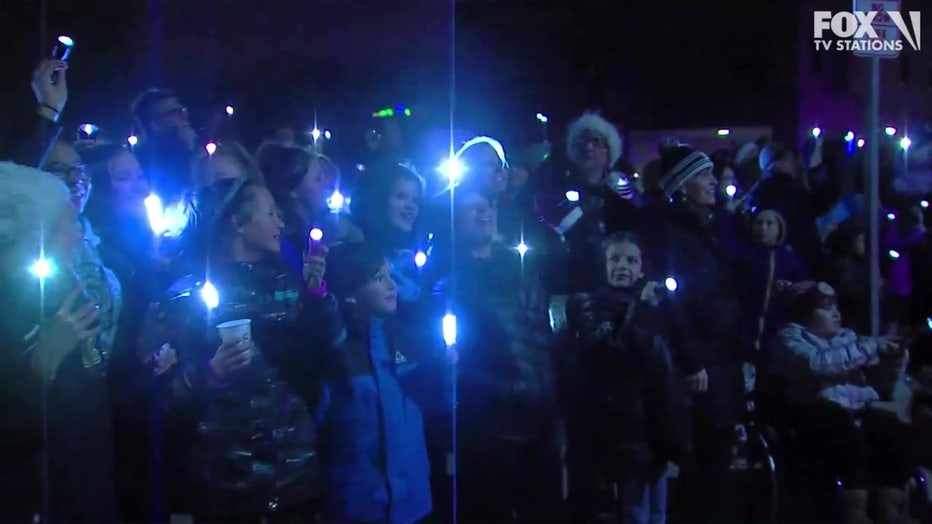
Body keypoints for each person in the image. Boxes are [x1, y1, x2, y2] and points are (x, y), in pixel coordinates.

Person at [154, 178, 329, 521]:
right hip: (227, 485)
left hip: (294, 476)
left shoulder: (285, 284)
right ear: (237, 223)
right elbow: (166, 401)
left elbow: (322, 360)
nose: (280, 222)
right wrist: (212, 372)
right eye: (270, 213)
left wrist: (317, 296)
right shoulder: (188, 297)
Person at [0, 161, 117, 523]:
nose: (79, 235)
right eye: (69, 223)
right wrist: (42, 363)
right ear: (39, 232)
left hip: (85, 491)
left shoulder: (66, 289)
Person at [317, 242, 451, 523]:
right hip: (359, 506)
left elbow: (441, 402)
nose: (392, 286)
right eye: (379, 279)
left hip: (414, 504)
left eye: (391, 276)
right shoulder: (336, 353)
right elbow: (322, 430)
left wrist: (448, 368)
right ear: (351, 293)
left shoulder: (407, 338)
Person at [563, 232, 691, 524]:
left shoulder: (655, 305)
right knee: (636, 512)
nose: (623, 266)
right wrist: (641, 311)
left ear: (642, 268)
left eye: (632, 260)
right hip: (622, 430)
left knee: (658, 513)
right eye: (615, 259)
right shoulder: (589, 304)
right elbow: (612, 354)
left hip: (653, 427)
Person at [769, 281, 916, 524]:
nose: (836, 314)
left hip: (853, 409)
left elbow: (881, 386)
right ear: (803, 313)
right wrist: (870, 347)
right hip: (810, 412)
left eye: (836, 307)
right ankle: (854, 510)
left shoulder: (848, 338)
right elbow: (817, 364)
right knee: (846, 434)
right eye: (826, 309)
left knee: (896, 431)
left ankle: (889, 505)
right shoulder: (787, 339)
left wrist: (894, 361)